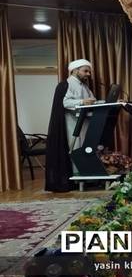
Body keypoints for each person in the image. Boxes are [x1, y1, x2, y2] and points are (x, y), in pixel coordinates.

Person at [45, 59, 96, 192]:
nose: (88, 74)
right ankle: (76, 180)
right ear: (75, 70)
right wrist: (82, 102)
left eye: (89, 71)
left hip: (85, 123)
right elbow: (65, 102)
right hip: (72, 124)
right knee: (76, 149)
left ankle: (86, 178)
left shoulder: (84, 86)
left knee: (84, 150)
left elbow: (92, 101)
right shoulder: (67, 84)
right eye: (85, 71)